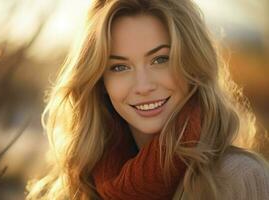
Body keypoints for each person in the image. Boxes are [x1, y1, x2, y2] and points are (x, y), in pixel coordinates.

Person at [26, 0, 269, 199]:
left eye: (160, 60)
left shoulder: (240, 178)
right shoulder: (75, 187)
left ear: (193, 66)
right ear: (101, 82)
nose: (143, 86)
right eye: (120, 67)